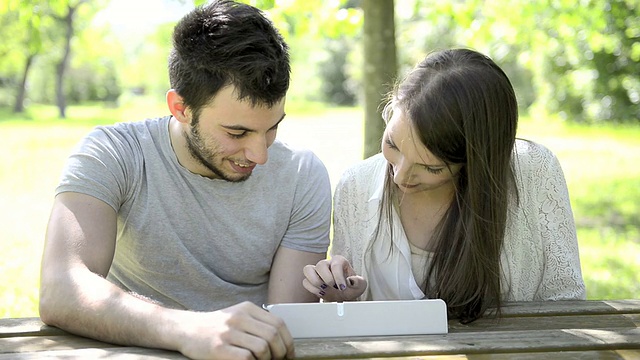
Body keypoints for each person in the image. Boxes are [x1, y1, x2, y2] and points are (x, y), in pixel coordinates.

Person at [39, 1, 332, 359]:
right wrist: (189, 330)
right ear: (180, 108)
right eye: (237, 132)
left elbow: (288, 322)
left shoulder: (302, 175)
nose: (260, 154)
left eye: (272, 128)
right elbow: (61, 288)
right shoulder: (114, 153)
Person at [302, 48, 586, 323]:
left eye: (431, 167)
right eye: (392, 145)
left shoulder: (534, 170)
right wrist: (342, 295)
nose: (400, 177)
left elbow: (565, 301)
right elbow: (350, 321)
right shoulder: (356, 184)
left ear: (476, 162)